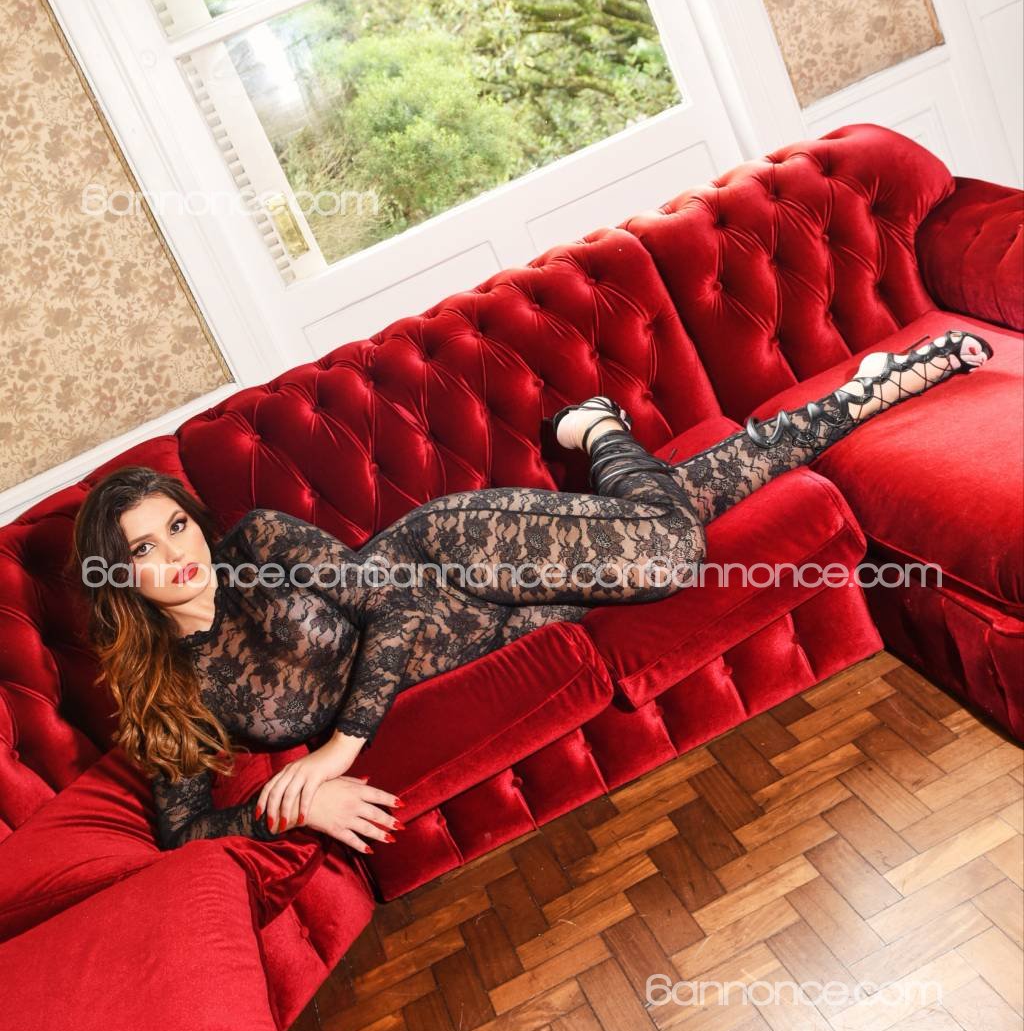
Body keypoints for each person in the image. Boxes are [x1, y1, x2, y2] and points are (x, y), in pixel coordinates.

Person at [68, 329, 992, 856]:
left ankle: (596, 432)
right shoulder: (174, 692)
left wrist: (340, 751)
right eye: (144, 548)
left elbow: (392, 606)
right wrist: (294, 807)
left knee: (668, 555)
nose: (178, 553)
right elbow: (184, 831)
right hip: (500, 627)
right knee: (688, 509)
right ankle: (857, 394)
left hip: (456, 554)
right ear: (121, 579)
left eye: (177, 525)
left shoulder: (263, 544)